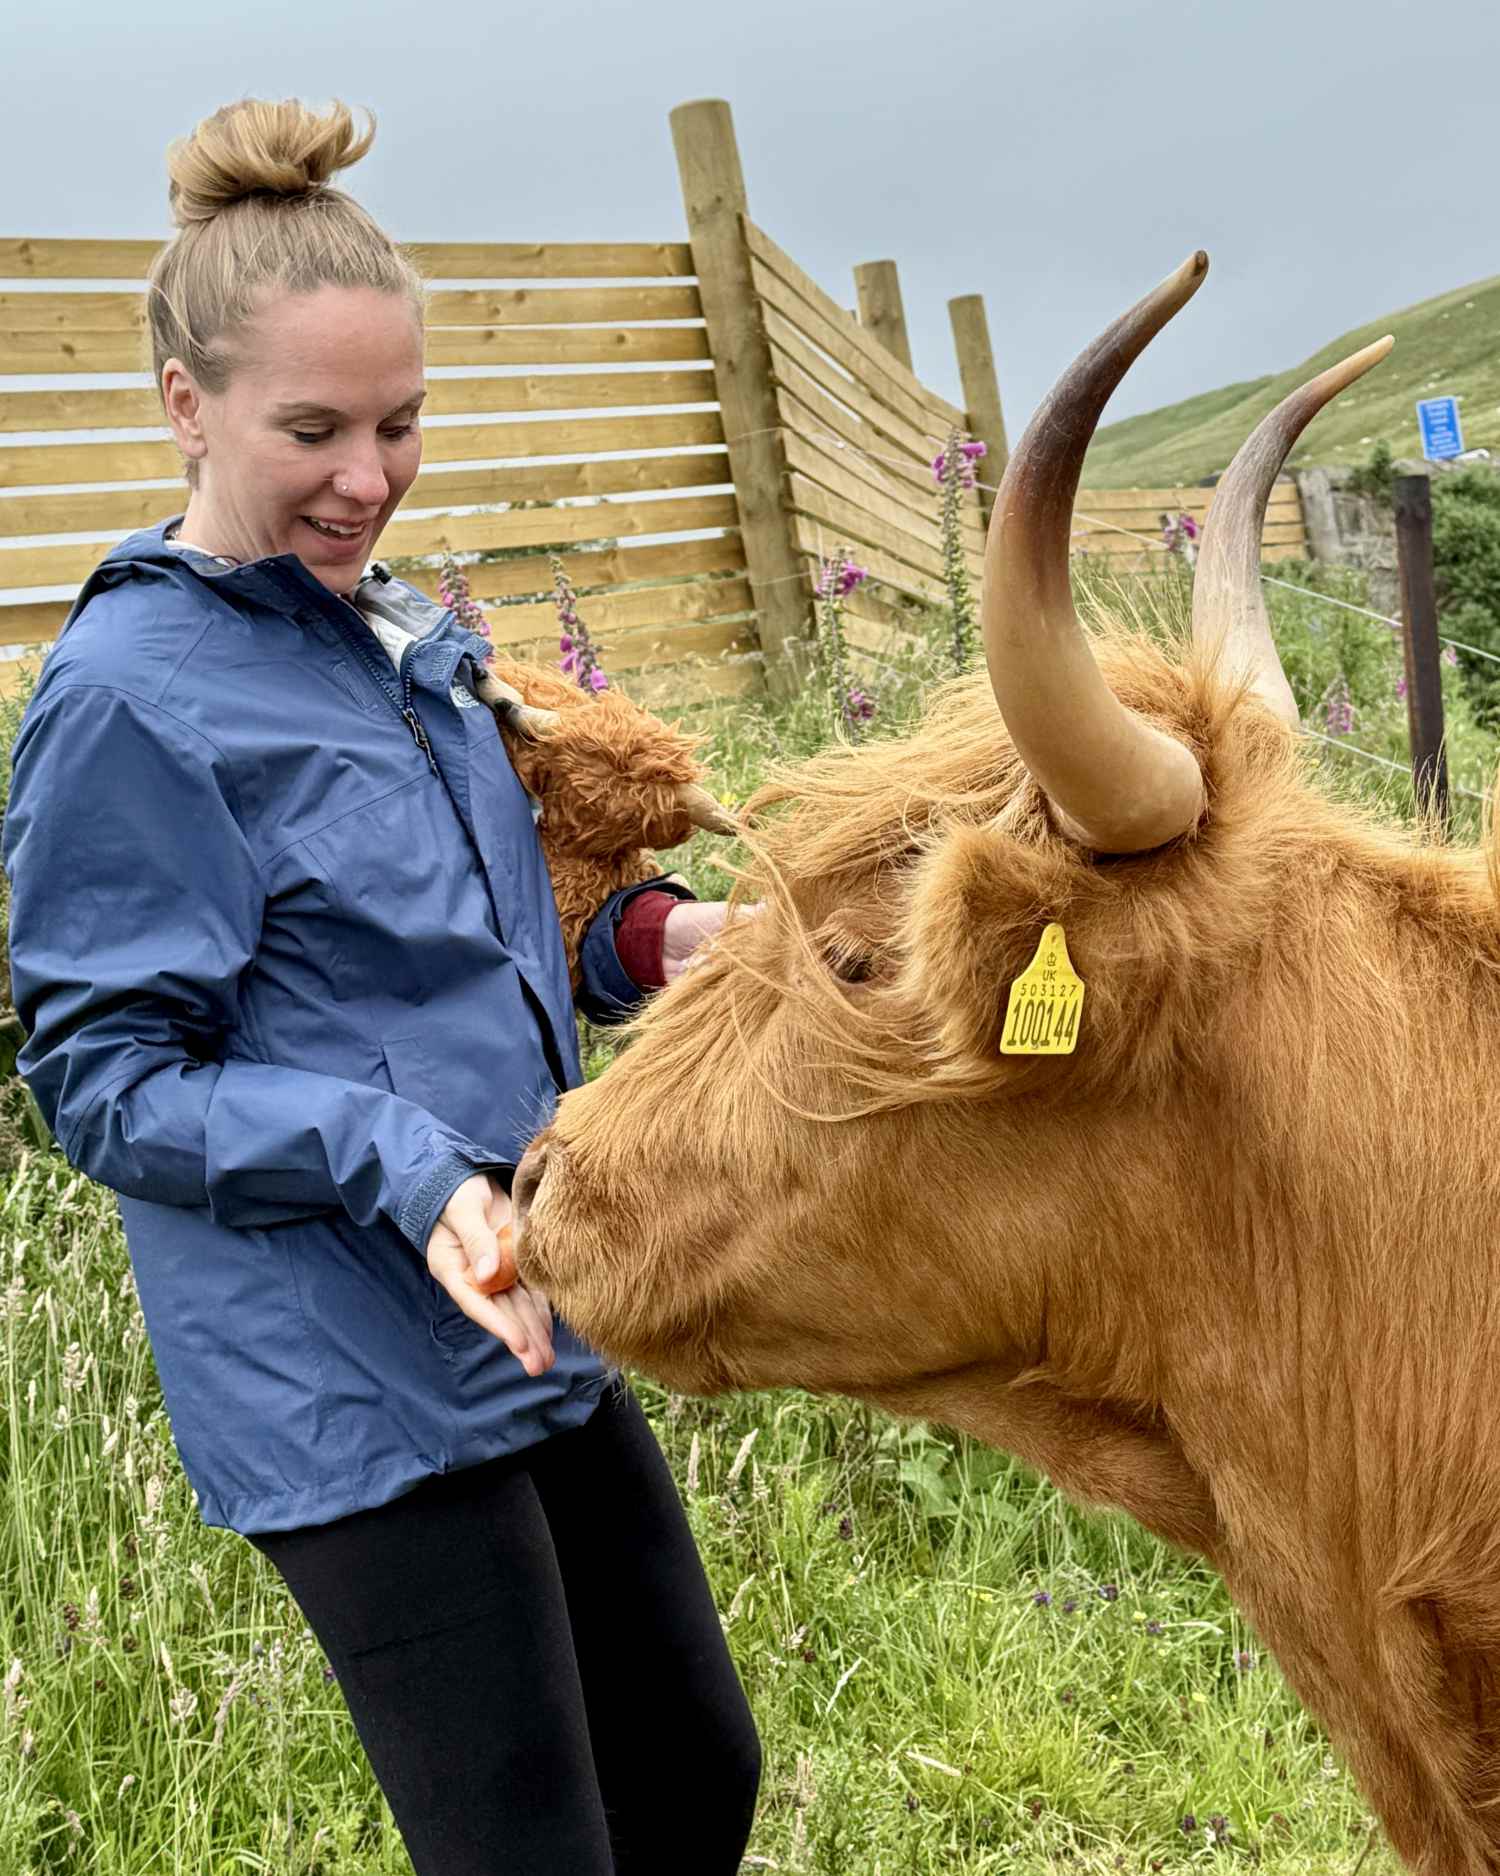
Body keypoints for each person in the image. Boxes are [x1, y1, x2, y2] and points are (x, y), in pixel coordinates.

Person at [2, 98, 760, 1876]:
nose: (369, 477)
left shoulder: (400, 631)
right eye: (315, 430)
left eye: (403, 423)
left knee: (695, 1782)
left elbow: (477, 935)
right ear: (186, 406)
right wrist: (399, 1160)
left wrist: (662, 947)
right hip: (344, 1381)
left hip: (530, 1301)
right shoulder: (126, 700)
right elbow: (106, 1079)